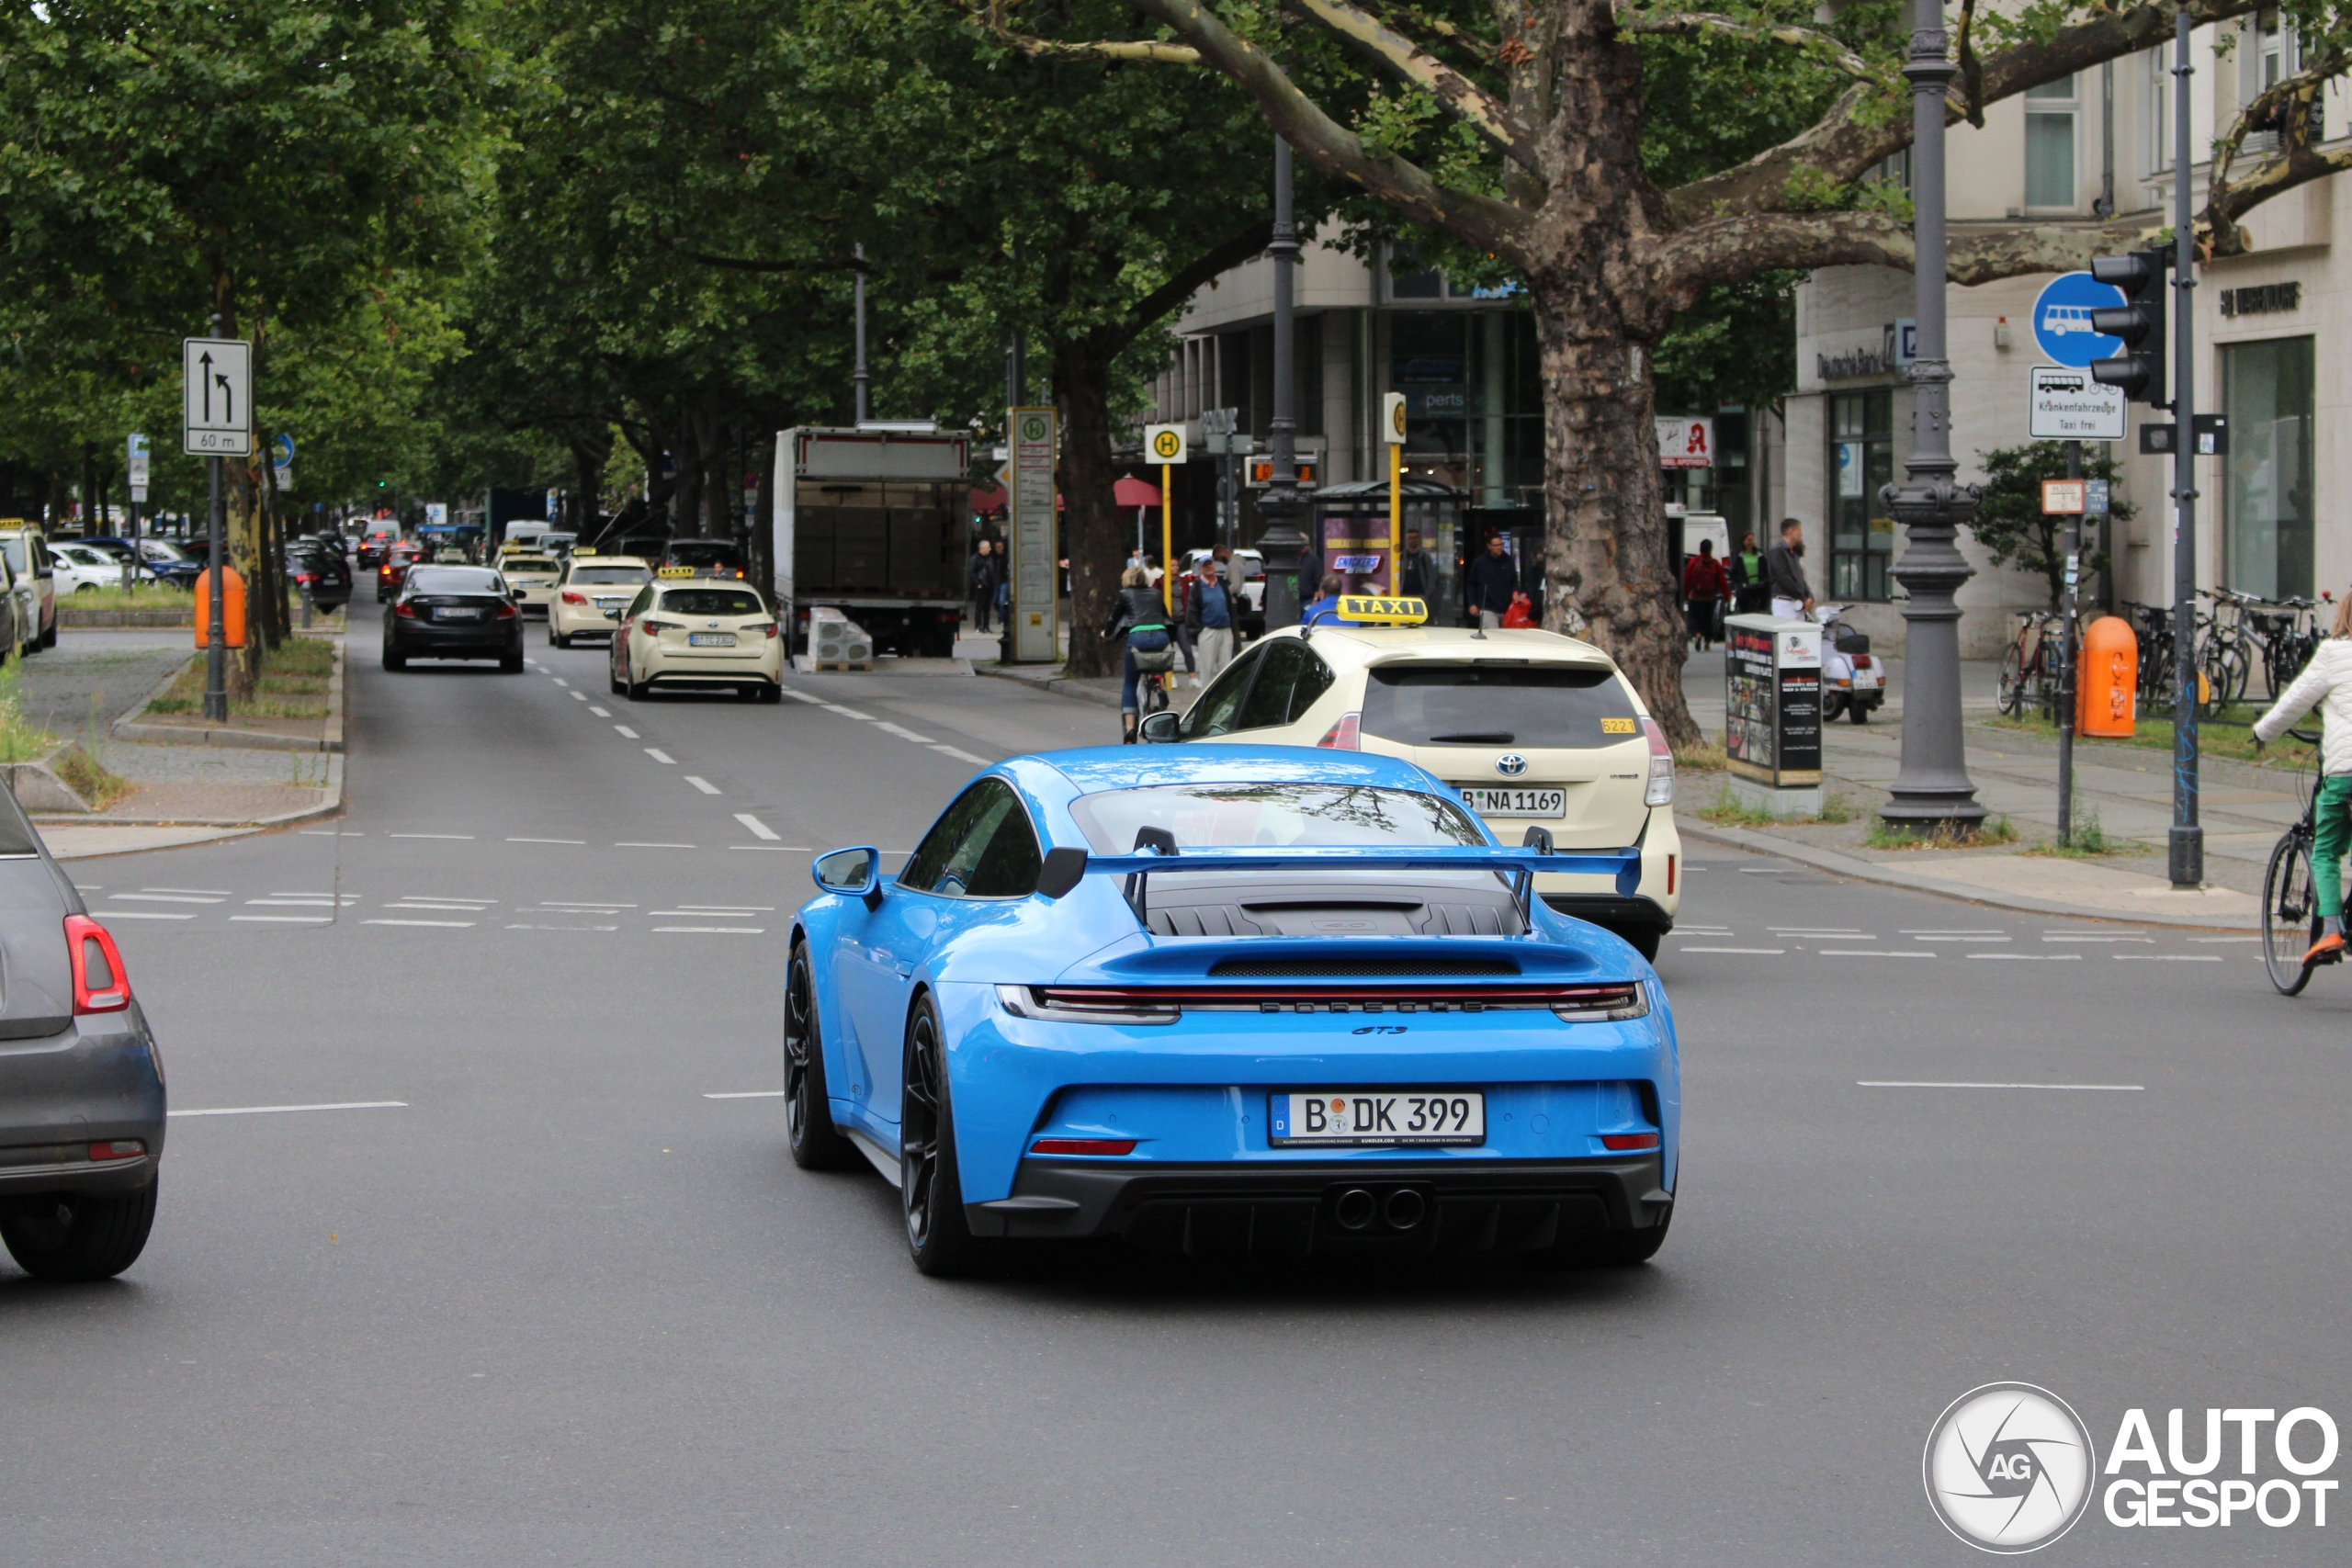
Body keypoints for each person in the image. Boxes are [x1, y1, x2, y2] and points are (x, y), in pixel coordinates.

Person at [2256, 593, 2352, 963]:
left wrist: (2263, 732)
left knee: (2326, 851)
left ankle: (2329, 933)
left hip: (2344, 773)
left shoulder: (2333, 653)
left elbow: (2295, 700)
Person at [1102, 565, 1172, 742]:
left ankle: (1131, 730)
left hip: (1138, 637)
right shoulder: (1156, 593)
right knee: (1157, 663)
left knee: (1130, 683)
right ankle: (1159, 688)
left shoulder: (1125, 595)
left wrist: (1107, 634)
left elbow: (1114, 618)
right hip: (1160, 636)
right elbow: (1165, 616)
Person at [1189, 546, 1237, 682]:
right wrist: (1198, 630)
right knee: (1207, 670)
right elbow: (1192, 610)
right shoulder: (1197, 587)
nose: (1209, 566)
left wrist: (1231, 627)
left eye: (1210, 563)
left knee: (1226, 669)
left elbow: (1228, 606)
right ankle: (1205, 701)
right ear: (1200, 568)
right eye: (1205, 565)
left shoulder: (1222, 583)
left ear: (1214, 564)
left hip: (1225, 630)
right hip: (1208, 631)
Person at [1681, 537, 1729, 650]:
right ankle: (1707, 642)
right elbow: (1722, 581)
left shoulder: (1694, 562)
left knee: (1695, 617)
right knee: (1708, 618)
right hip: (1710, 596)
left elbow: (1687, 578)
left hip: (1695, 595)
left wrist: (1686, 592)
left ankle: (1697, 633)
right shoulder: (1715, 564)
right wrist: (1727, 596)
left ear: (1700, 548)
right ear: (1710, 549)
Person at [1464, 533, 1518, 628]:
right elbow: (1471, 584)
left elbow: (1514, 580)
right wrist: (1472, 603)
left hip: (1506, 608)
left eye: (1501, 544)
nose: (1499, 547)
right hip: (1487, 607)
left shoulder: (1508, 561)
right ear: (1489, 546)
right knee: (1493, 635)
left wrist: (1515, 592)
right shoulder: (1480, 563)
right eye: (1496, 545)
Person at [1765, 517, 1814, 619]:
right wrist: (1802, 597)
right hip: (1784, 603)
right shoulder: (1777, 551)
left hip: (1798, 603)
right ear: (1790, 531)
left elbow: (1800, 577)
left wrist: (1809, 595)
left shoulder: (1794, 553)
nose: (1801, 534)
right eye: (1799, 530)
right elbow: (1784, 577)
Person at [1727, 532, 1769, 615]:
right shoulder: (1739, 556)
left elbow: (1766, 570)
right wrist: (1739, 583)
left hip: (1759, 588)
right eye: (1748, 540)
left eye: (1752, 540)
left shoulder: (1760, 555)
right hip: (1745, 589)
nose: (1751, 542)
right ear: (1744, 542)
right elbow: (1734, 573)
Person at [1396, 528, 1439, 601]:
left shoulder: (1424, 556)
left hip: (1421, 595)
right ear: (1407, 540)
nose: (1412, 540)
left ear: (1419, 539)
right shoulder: (1402, 556)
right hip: (1405, 595)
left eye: (1415, 538)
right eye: (1410, 538)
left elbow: (1431, 577)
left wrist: (1427, 595)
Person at [967, 538, 999, 635]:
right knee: (979, 607)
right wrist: (978, 583)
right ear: (982, 548)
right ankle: (978, 626)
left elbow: (993, 570)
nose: (990, 549)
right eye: (988, 547)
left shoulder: (990, 558)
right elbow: (972, 573)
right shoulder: (975, 558)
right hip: (981, 585)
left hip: (989, 585)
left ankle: (986, 626)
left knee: (987, 608)